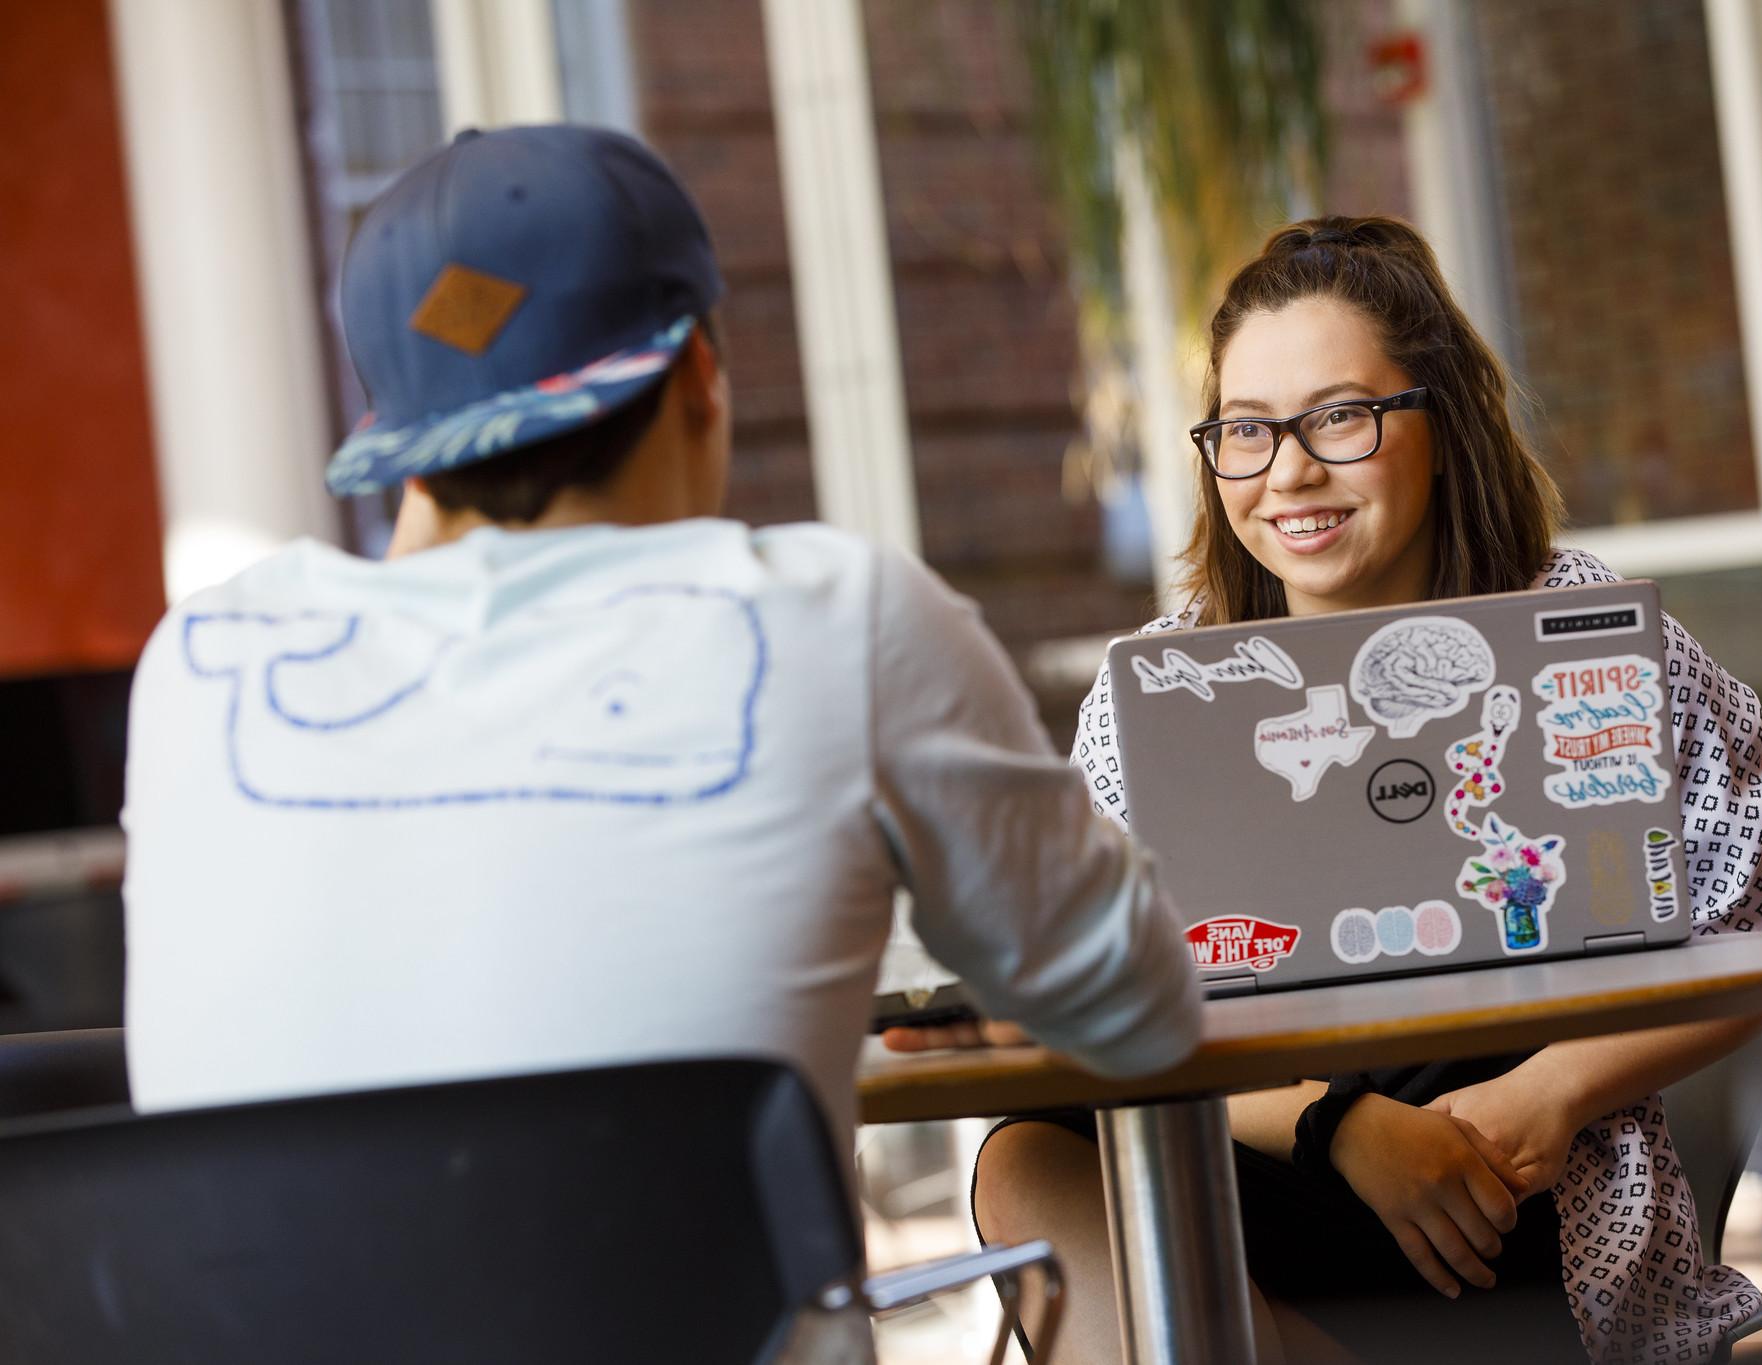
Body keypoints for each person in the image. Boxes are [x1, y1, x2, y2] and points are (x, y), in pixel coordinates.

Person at [119, 125, 1202, 1162]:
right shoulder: (840, 615)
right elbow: (1148, 1013)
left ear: (399, 452)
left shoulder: (202, 663)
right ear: (697, 376)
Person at [904, 217, 1762, 1364]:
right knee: (1033, 1153)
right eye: (1245, 431)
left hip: (1505, 1190)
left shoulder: (1585, 632)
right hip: (1259, 1170)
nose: (1287, 470)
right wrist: (1331, 1125)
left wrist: (1543, 1098)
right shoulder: (1158, 693)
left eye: (1338, 417)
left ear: (1439, 423)